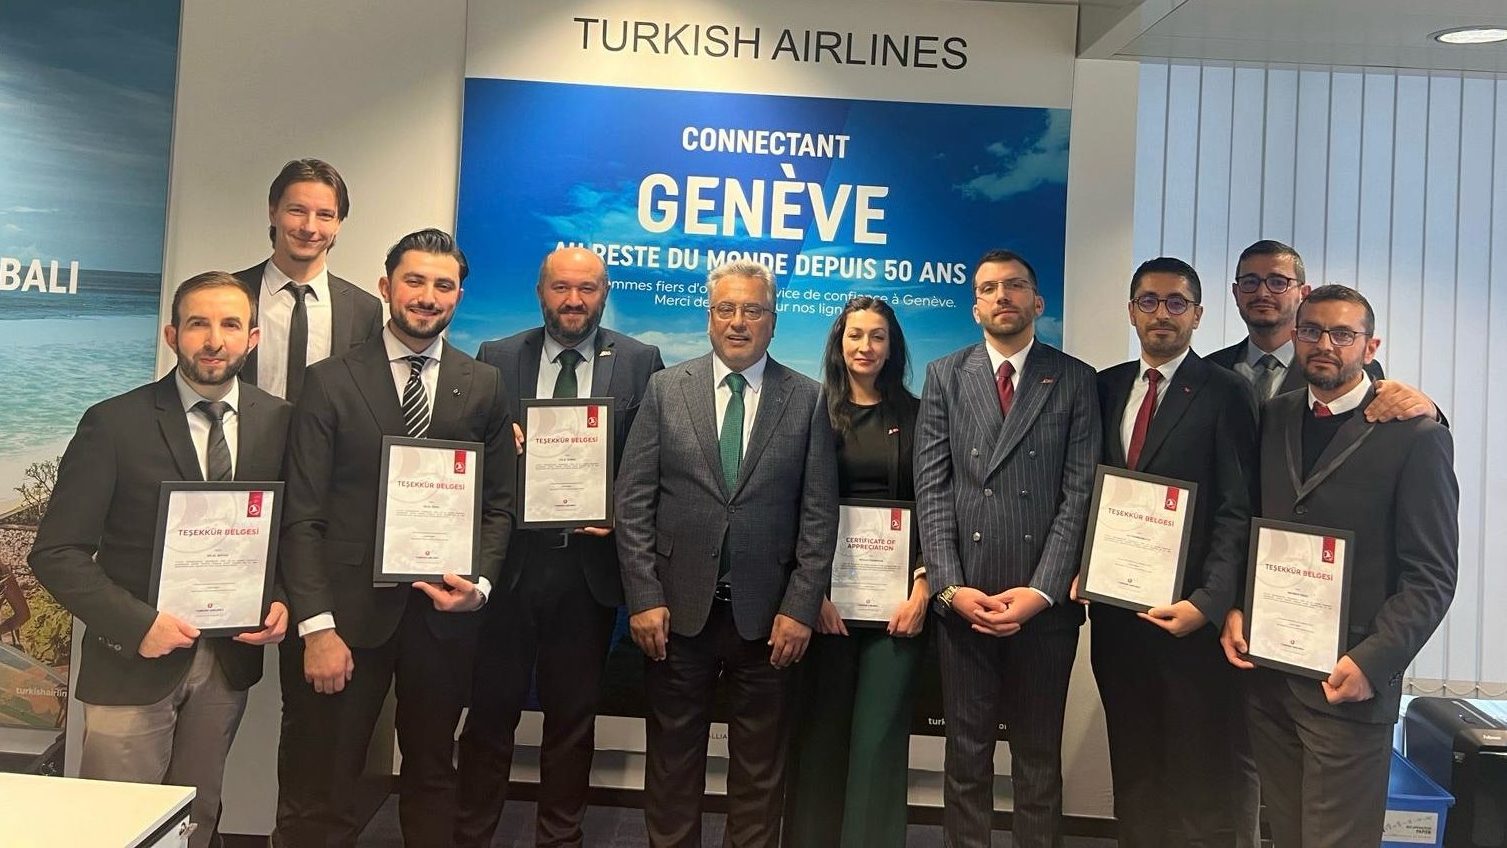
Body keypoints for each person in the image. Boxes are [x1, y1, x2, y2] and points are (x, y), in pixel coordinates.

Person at [29, 271, 291, 848]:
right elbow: (55, 552)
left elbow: (286, 532)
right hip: (131, 664)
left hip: (227, 661)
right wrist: (137, 625)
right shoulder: (113, 423)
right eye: (198, 324)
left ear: (252, 339)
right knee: (115, 828)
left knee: (198, 818)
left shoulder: (280, 421)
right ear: (172, 335)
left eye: (230, 325)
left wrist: (280, 600)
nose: (214, 340)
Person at [274, 229, 516, 847]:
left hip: (441, 617)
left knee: (433, 775)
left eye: (443, 285)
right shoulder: (329, 381)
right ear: (386, 286)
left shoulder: (484, 384)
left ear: (458, 296)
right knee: (324, 779)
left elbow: (498, 506)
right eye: (414, 281)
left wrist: (480, 587)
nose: (428, 296)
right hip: (345, 620)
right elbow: (302, 514)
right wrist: (317, 627)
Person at [1221, 285, 1458, 848]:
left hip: (1346, 683)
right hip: (1270, 675)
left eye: (1343, 334)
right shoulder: (1275, 415)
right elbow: (1255, 525)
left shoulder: (1417, 437)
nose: (1324, 344)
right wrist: (1235, 608)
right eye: (1311, 331)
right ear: (1294, 337)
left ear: (1370, 346)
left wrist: (1373, 662)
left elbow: (1431, 576)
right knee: (1287, 834)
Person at [615, 260, 839, 848]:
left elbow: (819, 516)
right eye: (726, 309)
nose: (739, 321)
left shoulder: (808, 399)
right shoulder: (666, 389)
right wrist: (643, 597)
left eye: (753, 310)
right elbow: (632, 502)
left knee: (760, 772)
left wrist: (800, 607)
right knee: (671, 765)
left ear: (773, 320)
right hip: (674, 614)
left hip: (769, 621)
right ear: (709, 317)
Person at [455, 246, 664, 848]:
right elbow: (469, 453)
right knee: (490, 713)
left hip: (587, 571)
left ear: (605, 293)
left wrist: (617, 511)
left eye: (587, 289)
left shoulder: (640, 361)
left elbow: (650, 460)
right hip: (510, 567)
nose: (574, 301)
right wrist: (500, 444)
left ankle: (560, 837)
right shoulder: (496, 358)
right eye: (561, 288)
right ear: (540, 291)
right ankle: (471, 835)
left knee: (573, 720)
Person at [915, 249, 1100, 848]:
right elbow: (932, 489)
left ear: (1037, 301)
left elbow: (1079, 494)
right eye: (989, 288)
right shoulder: (945, 375)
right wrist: (949, 588)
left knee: (1037, 758)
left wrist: (1042, 592)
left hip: (1041, 608)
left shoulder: (1075, 378)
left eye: (1015, 285)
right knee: (966, 756)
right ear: (975, 307)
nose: (1002, 296)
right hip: (965, 599)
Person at [1084, 257, 1259, 847]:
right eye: (1149, 301)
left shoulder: (1227, 392)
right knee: (1133, 769)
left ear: (1198, 314)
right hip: (1116, 617)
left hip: (1189, 622)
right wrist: (1083, 567)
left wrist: (1208, 604)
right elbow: (1085, 490)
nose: (1162, 313)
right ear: (1131, 312)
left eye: (1177, 302)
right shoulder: (1104, 387)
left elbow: (1236, 509)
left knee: (1195, 778)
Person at [781, 297, 927, 848]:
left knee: (877, 740)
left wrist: (923, 586)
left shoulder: (919, 416)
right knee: (820, 739)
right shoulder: (812, 412)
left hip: (899, 608)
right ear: (839, 344)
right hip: (825, 607)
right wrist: (810, 593)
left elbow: (937, 506)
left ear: (893, 347)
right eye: (855, 335)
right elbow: (791, 505)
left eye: (878, 336)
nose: (866, 347)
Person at [1207, 239, 1437, 421]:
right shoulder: (1210, 369)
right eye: (1250, 282)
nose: (1262, 293)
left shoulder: (1354, 367)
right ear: (1236, 293)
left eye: (1278, 282)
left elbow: (1391, 425)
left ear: (1303, 293)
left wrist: (1430, 411)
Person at [234, 158, 383, 401]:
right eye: (297, 211)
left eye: (325, 215)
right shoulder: (230, 294)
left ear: (338, 223)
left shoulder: (364, 311)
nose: (309, 227)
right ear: (273, 213)